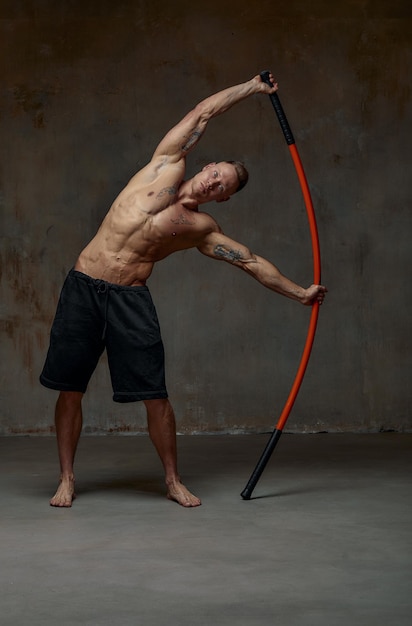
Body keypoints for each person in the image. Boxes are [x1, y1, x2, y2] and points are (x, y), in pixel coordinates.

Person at [40, 71, 327, 509]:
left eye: (224, 186)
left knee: (155, 395)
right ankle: (66, 478)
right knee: (70, 388)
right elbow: (203, 112)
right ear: (207, 165)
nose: (215, 182)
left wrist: (299, 293)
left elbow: (250, 262)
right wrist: (252, 88)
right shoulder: (166, 163)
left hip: (130, 299)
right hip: (84, 286)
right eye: (217, 172)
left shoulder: (200, 229)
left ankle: (172, 480)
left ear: (224, 198)